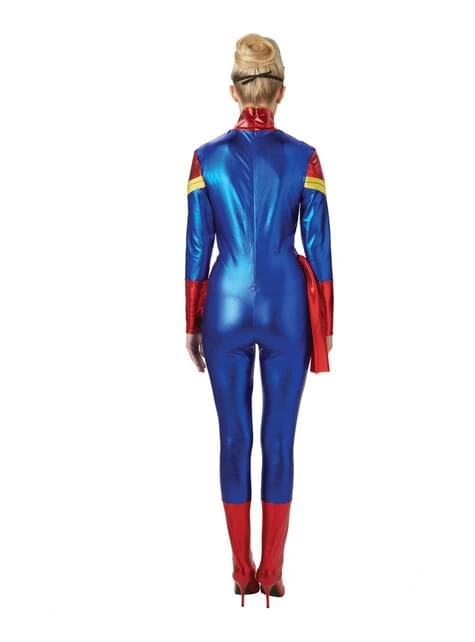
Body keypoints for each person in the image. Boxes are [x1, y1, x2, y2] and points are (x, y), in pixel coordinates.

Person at [184, 33, 334, 607]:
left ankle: (239, 570)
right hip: (286, 309)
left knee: (232, 436)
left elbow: (197, 247)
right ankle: (272, 571)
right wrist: (325, 325)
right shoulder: (305, 158)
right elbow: (319, 249)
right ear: (281, 92)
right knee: (279, 438)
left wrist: (192, 321)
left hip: (223, 305)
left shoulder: (206, 159)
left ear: (233, 91)